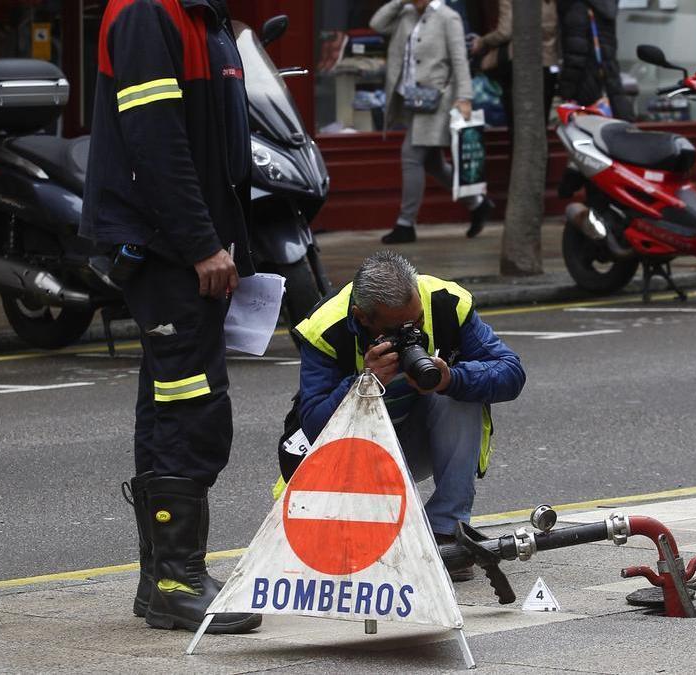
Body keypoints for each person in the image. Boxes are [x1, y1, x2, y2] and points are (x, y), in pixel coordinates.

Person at [81, 0, 259, 633]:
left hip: (189, 243)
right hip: (167, 249)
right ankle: (178, 581)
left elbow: (217, 144)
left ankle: (161, 581)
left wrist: (229, 239)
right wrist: (201, 244)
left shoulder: (203, 17)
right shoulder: (147, 13)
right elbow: (155, 143)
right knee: (189, 405)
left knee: (172, 401)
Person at [278, 251, 525, 580]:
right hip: (358, 455)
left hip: (416, 440)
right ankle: (394, 529)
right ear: (362, 317)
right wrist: (364, 382)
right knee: (353, 556)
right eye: (398, 329)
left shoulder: (445, 301)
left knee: (460, 394)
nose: (413, 333)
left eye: (418, 322)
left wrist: (451, 378)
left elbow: (511, 373)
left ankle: (446, 531)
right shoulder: (326, 326)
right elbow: (313, 424)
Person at [371, 0, 493, 243]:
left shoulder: (448, 17)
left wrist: (464, 97)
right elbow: (377, 24)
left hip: (438, 101)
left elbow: (460, 60)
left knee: (411, 155)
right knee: (434, 164)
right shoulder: (405, 13)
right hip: (414, 101)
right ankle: (478, 203)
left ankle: (406, 224)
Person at [470, 0, 561, 134]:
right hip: (547, 63)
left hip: (519, 63)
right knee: (541, 125)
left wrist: (482, 42)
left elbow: (505, 32)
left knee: (518, 127)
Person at [556, 0, 632, 121]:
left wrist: (565, 89)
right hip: (608, 79)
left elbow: (576, 53)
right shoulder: (604, 6)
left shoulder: (577, 7)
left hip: (586, 84)